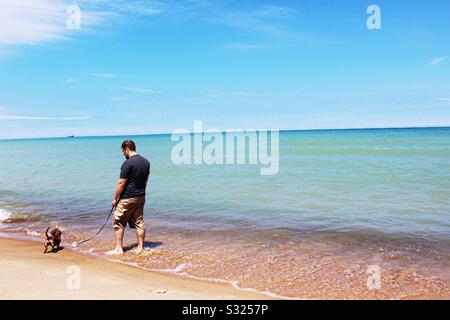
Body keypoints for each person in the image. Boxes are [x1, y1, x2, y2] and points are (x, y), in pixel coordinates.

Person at [108, 140, 150, 255]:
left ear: (126, 149)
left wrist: (115, 198)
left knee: (118, 221)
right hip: (141, 196)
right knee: (139, 222)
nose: (123, 154)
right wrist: (141, 193)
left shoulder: (128, 164)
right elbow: (145, 181)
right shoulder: (146, 162)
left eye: (123, 152)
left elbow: (121, 183)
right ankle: (140, 247)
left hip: (127, 198)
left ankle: (118, 249)